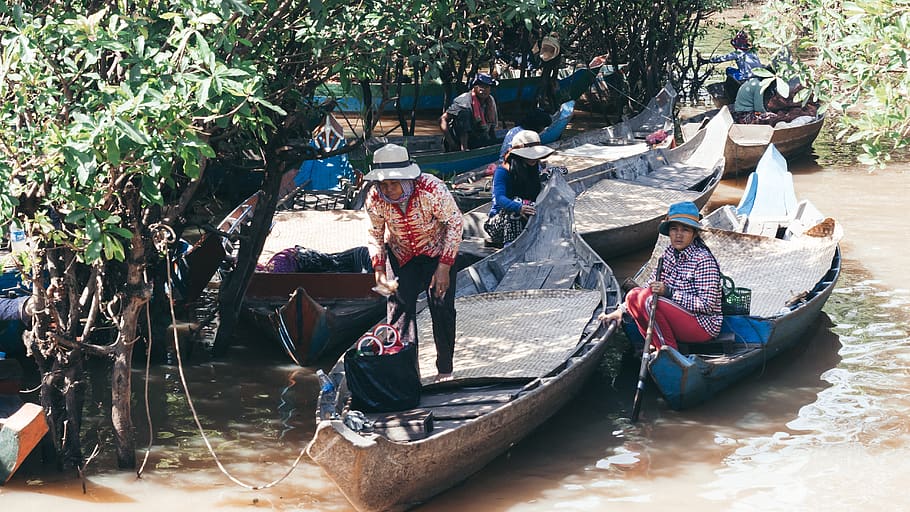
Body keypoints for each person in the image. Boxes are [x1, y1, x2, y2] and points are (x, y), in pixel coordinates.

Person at [363, 144, 464, 382]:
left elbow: (455, 223)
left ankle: (445, 369)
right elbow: (374, 234)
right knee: (398, 312)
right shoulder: (375, 197)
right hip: (401, 254)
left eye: (394, 183)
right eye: (384, 184)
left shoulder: (431, 189)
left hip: (437, 252)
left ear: (407, 178)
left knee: (441, 307)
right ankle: (406, 374)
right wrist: (379, 271)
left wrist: (444, 266)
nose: (389, 189)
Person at [599, 201, 722, 350]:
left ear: (694, 234)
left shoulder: (703, 260)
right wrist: (621, 310)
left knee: (649, 300)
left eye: (685, 230)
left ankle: (667, 350)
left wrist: (669, 292)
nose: (678, 235)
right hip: (676, 317)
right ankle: (655, 344)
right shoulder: (668, 253)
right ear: (669, 232)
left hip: (702, 324)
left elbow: (707, 305)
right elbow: (647, 286)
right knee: (633, 295)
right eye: (674, 229)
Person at [484, 130, 556, 248]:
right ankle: (510, 248)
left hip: (527, 216)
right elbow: (500, 198)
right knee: (515, 209)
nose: (533, 159)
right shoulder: (502, 171)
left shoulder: (534, 169)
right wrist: (519, 207)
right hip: (499, 223)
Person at [440, 73, 499, 152]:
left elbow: (491, 126)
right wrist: (451, 143)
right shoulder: (464, 100)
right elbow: (442, 119)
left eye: (487, 87)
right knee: (465, 112)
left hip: (477, 137)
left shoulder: (490, 101)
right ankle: (464, 148)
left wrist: (492, 143)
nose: (484, 90)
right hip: (457, 140)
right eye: (481, 87)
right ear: (475, 87)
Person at [699, 30, 764, 83]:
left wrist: (707, 61)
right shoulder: (753, 51)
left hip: (747, 77)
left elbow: (722, 58)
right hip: (758, 76)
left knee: (729, 70)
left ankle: (734, 85)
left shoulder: (737, 53)